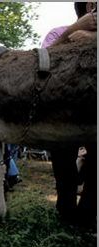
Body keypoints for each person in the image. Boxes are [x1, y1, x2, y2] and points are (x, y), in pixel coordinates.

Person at [41, 1, 97, 229]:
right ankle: (65, 214)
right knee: (65, 171)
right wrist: (74, 30)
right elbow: (42, 62)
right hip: (63, 115)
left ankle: (86, 218)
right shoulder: (58, 32)